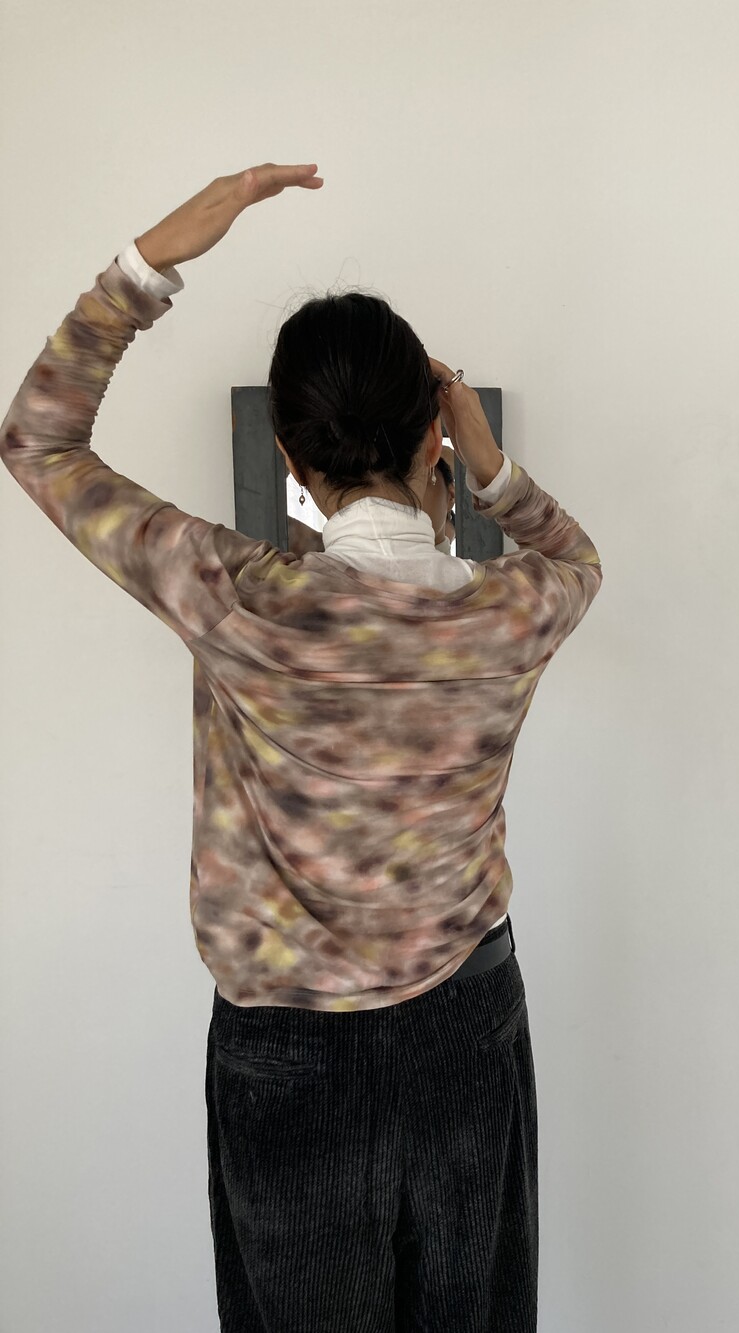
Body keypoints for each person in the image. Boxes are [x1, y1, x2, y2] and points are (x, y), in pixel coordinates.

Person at [0, 163, 602, 1333]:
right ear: (432, 431)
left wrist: (144, 267)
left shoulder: (235, 595)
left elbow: (38, 440)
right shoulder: (513, 610)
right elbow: (577, 555)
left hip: (286, 1061)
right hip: (467, 1033)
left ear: (288, 454)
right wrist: (487, 467)